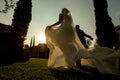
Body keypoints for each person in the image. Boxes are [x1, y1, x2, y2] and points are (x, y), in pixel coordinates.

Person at [45, 8, 120, 74]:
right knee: (72, 46)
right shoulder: (68, 15)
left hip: (65, 29)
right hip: (70, 30)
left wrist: (51, 26)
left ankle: (71, 61)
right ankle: (77, 62)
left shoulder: (61, 14)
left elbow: (59, 22)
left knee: (63, 45)